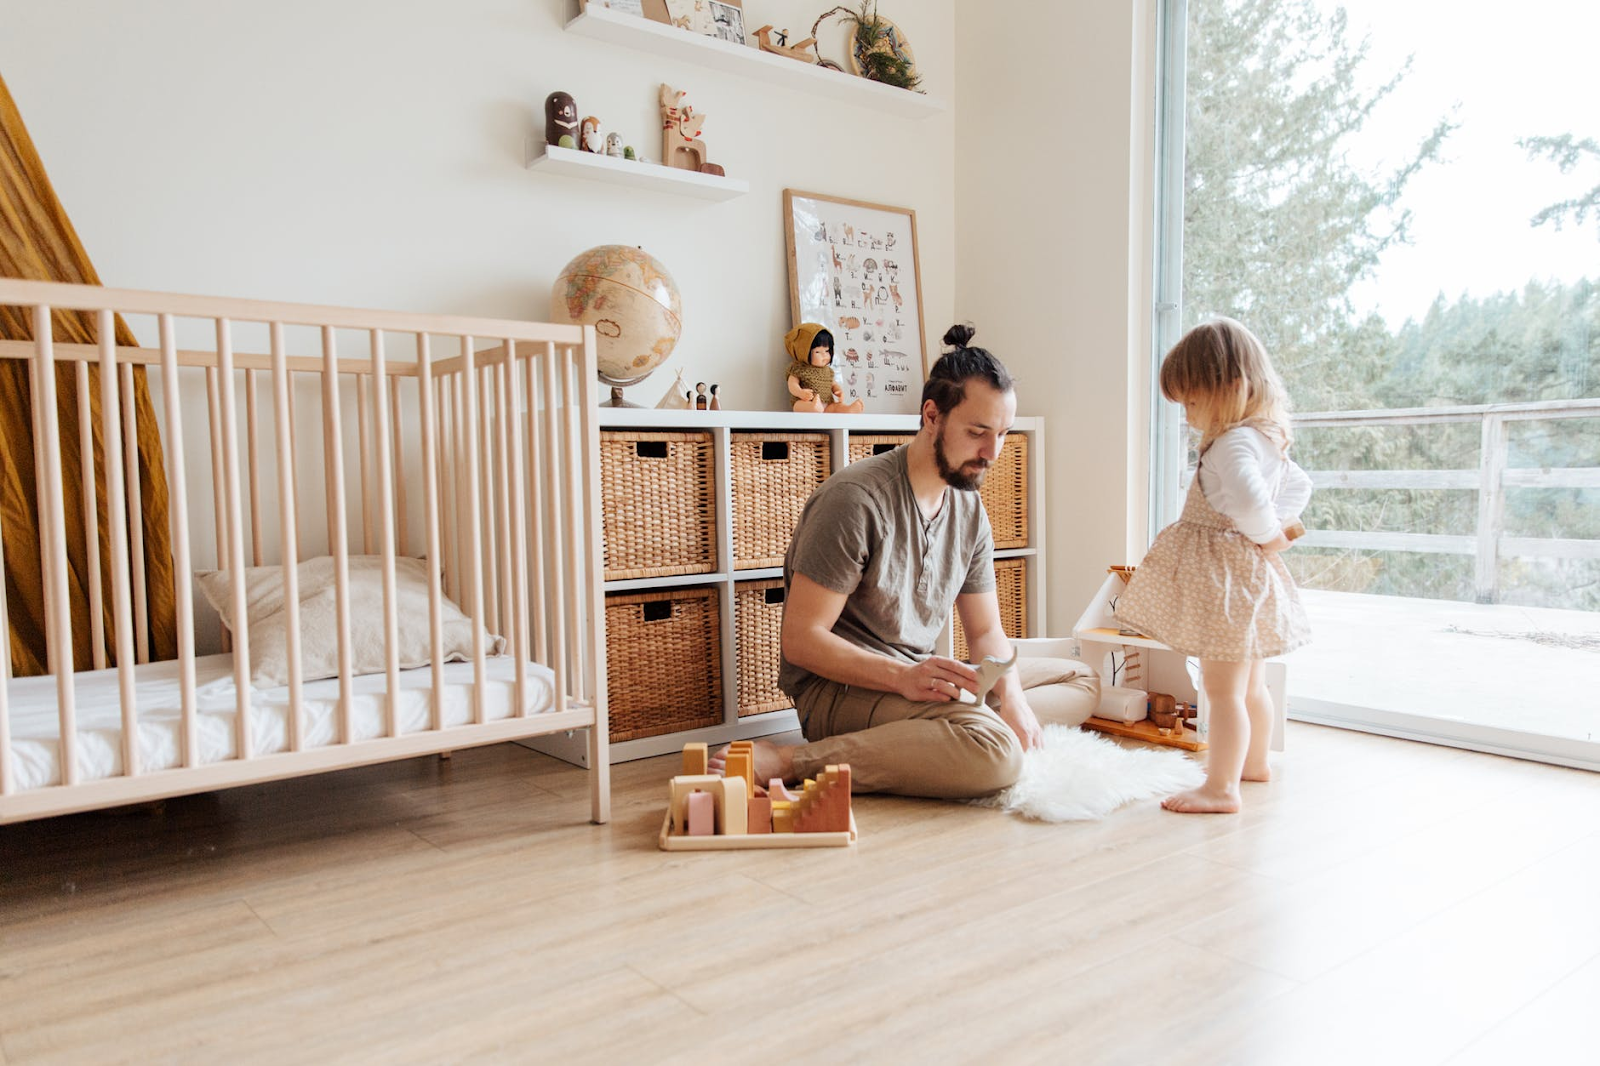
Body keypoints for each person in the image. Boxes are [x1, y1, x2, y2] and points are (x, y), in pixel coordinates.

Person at [719, 324, 1099, 799]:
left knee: (1079, 677)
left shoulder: (967, 507)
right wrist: (904, 678)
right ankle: (794, 760)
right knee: (996, 753)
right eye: (978, 432)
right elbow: (801, 642)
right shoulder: (855, 501)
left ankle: (954, 729)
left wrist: (1014, 701)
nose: (992, 453)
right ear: (932, 416)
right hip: (838, 690)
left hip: (916, 672)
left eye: (1002, 434)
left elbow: (984, 633)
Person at [1115, 317, 1312, 814]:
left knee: (1219, 689)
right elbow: (1300, 485)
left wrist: (1268, 531)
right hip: (1248, 575)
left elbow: (1246, 497)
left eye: (1192, 402)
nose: (1188, 415)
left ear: (1230, 388)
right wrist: (1279, 529)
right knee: (1250, 685)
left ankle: (1221, 787)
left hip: (1226, 579)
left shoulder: (1233, 443)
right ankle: (1254, 764)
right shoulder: (1267, 438)